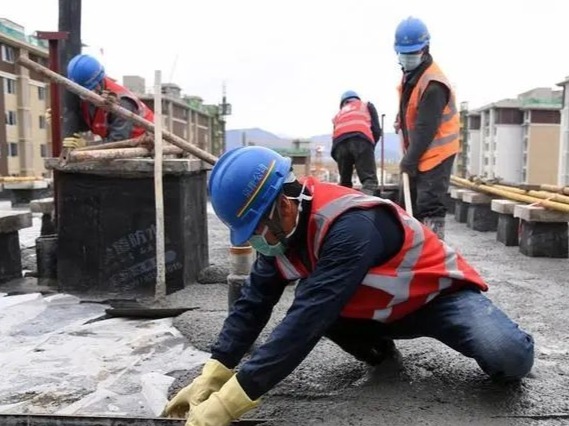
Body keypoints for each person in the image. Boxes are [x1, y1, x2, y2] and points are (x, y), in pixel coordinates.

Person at [163, 146, 534, 426]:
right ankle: (382, 354)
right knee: (318, 306)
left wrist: (229, 402)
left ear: (285, 206)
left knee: (508, 356)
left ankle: (513, 342)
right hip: (379, 310)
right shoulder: (281, 236)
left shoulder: (350, 225)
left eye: (256, 229)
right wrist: (215, 371)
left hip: (436, 299)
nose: (256, 241)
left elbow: (306, 319)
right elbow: (253, 303)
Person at [394, 17, 459, 240]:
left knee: (429, 204)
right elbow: (412, 108)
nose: (408, 57)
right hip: (420, 149)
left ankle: (435, 250)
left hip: (437, 152)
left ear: (425, 49)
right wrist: (401, 120)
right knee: (407, 203)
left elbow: (425, 127)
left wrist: (409, 160)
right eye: (404, 53)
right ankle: (413, 247)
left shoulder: (433, 84)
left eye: (413, 52)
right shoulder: (413, 75)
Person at [61, 54, 154, 150]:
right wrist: (65, 124)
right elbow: (89, 123)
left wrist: (86, 145)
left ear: (98, 84)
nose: (83, 96)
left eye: (86, 92)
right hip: (120, 145)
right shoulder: (90, 94)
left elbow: (119, 142)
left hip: (143, 147)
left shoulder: (122, 102)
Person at [331, 91, 382, 195]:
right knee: (369, 181)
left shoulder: (338, 114)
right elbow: (376, 130)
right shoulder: (366, 105)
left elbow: (335, 140)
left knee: (344, 184)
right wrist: (369, 152)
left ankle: (344, 203)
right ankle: (365, 202)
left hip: (339, 145)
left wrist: (347, 161)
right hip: (361, 139)